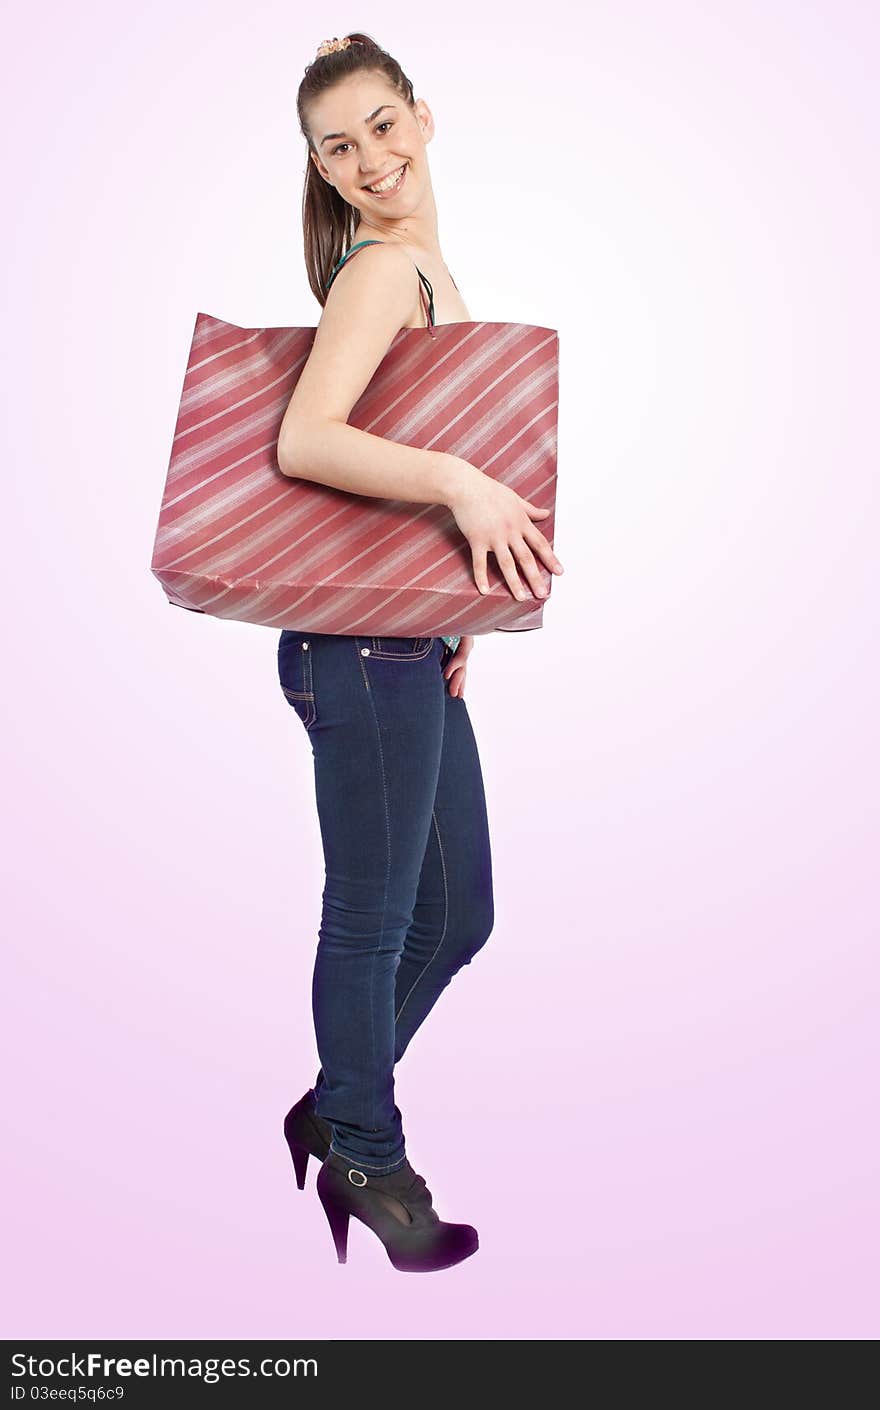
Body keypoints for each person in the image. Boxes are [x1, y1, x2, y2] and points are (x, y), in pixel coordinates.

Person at [276, 32, 564, 1273]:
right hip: (356, 652)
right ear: (322, 169)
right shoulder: (380, 271)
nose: (368, 158)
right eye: (338, 145)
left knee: (457, 912)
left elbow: (377, 451)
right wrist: (461, 486)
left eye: (381, 126)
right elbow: (306, 441)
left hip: (405, 645)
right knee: (375, 918)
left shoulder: (422, 266)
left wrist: (453, 614)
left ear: (423, 119)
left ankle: (339, 1101)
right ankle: (369, 1156)